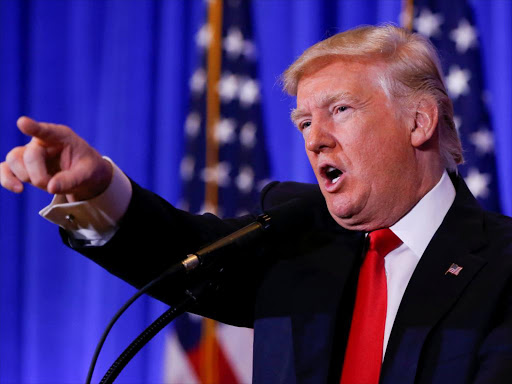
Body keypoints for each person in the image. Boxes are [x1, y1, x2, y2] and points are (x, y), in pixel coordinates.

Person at [1, 25, 512, 384]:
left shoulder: (504, 263)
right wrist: (95, 190)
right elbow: (180, 251)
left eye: (340, 110)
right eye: (304, 122)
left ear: (419, 122)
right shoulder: (298, 236)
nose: (315, 140)